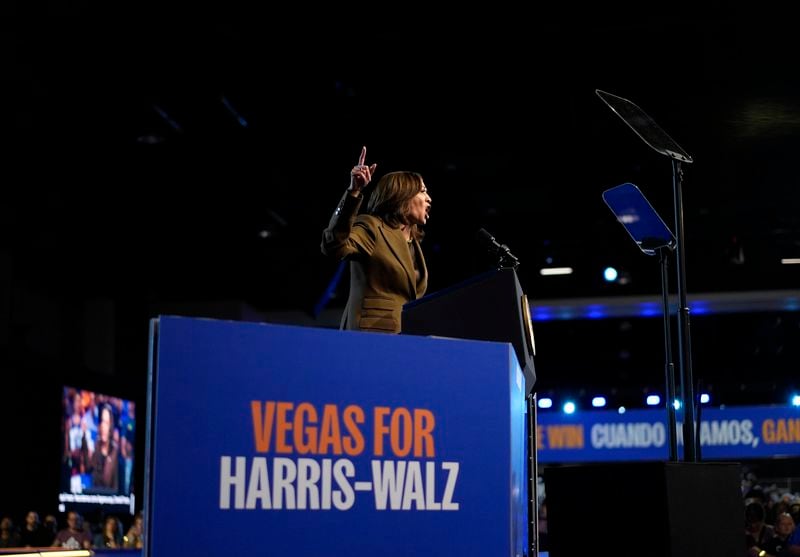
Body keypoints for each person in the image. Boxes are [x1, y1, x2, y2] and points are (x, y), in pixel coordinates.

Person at [321, 146, 432, 333]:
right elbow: (334, 245)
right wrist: (353, 192)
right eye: (422, 191)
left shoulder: (414, 243)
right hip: (371, 335)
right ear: (402, 194)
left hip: (405, 339)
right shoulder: (372, 227)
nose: (429, 198)